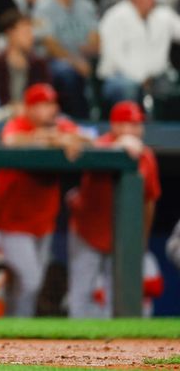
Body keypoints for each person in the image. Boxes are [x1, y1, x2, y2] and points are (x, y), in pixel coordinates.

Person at [0, 83, 87, 317]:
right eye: (43, 104)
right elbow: (10, 140)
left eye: (53, 103)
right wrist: (47, 138)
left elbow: (88, 138)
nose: (51, 109)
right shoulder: (19, 124)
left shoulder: (60, 126)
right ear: (29, 109)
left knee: (29, 282)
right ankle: (18, 330)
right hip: (12, 221)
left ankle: (12, 332)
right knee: (30, 280)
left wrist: (67, 138)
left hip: (43, 221)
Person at [67, 101, 161, 318]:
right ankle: (70, 350)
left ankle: (115, 350)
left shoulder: (146, 156)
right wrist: (117, 147)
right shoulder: (99, 145)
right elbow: (81, 150)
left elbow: (149, 201)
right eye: (129, 124)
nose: (135, 130)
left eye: (138, 124)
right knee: (80, 294)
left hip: (121, 237)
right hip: (87, 233)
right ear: (115, 125)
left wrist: (142, 239)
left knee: (116, 295)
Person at [97, 0, 180, 106]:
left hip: (155, 77)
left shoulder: (163, 15)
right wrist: (141, 77)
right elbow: (115, 56)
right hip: (119, 77)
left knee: (169, 86)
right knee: (127, 87)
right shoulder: (115, 17)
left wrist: (148, 78)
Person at [33, 0, 99, 118]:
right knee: (66, 73)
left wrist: (89, 49)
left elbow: (95, 39)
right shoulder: (42, 7)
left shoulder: (86, 4)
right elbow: (50, 45)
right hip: (56, 61)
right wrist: (74, 61)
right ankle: (77, 119)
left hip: (86, 60)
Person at [0, 10, 51, 111]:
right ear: (10, 33)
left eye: (31, 32)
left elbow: (46, 97)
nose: (31, 37)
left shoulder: (39, 66)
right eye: (26, 32)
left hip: (32, 118)